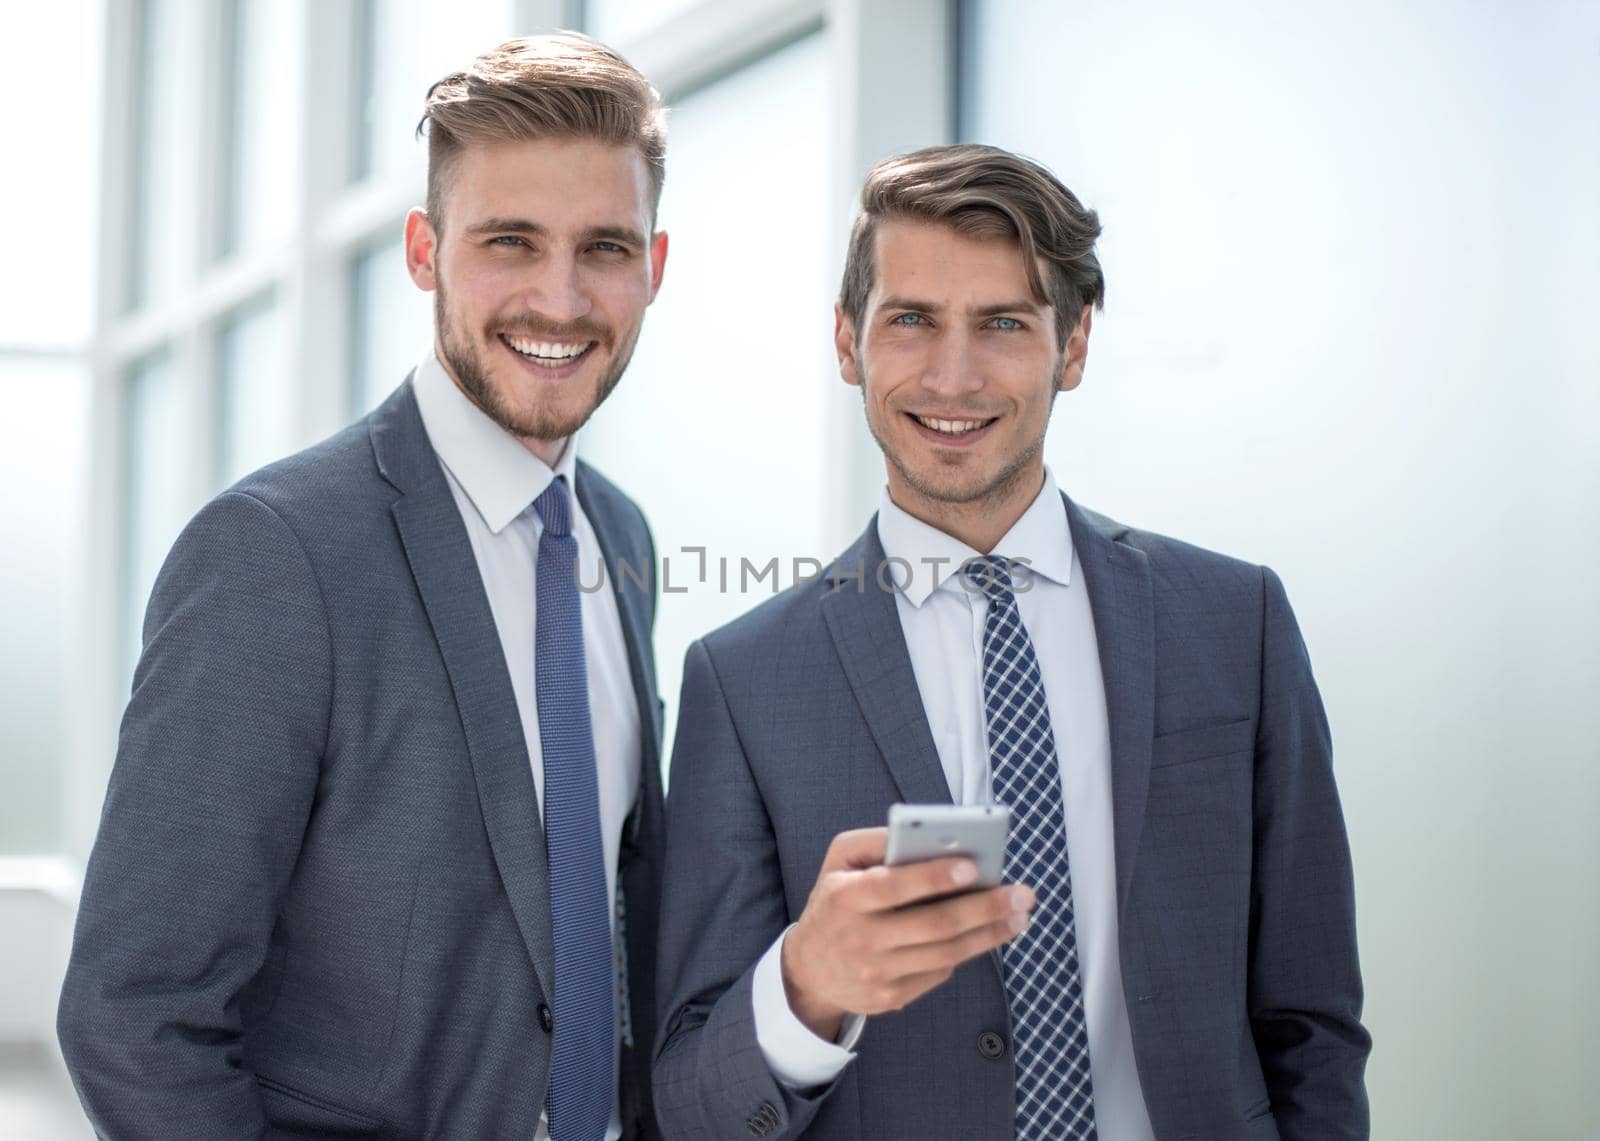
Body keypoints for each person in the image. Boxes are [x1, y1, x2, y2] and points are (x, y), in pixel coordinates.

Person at [653, 144, 1370, 1140]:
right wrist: (805, 986)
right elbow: (687, 1100)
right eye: (910, 320)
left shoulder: (1232, 622)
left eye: (1002, 324)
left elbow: (1313, 1026)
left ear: (1072, 347)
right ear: (846, 343)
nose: (954, 375)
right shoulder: (741, 681)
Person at [58, 33, 670, 1140]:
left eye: (605, 248)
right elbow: (134, 1010)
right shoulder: (274, 555)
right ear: (424, 250)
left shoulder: (619, 538)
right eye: (509, 241)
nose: (560, 295)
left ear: (656, 266)